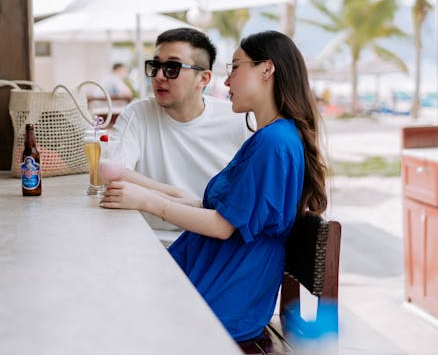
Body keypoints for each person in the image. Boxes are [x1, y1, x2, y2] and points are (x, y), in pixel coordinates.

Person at [100, 30, 328, 342]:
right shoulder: (271, 138)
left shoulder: (274, 142)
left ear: (266, 69)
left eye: (235, 67)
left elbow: (224, 226)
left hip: (226, 294)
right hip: (221, 277)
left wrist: (149, 202)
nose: (227, 81)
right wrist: (170, 196)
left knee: (105, 314)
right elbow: (237, 212)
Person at [112, 27, 250, 230]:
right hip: (152, 242)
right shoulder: (137, 114)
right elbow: (114, 172)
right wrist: (177, 195)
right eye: (156, 65)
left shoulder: (238, 120)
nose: (159, 76)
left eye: (172, 67)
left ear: (203, 79)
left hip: (213, 241)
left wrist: (153, 197)